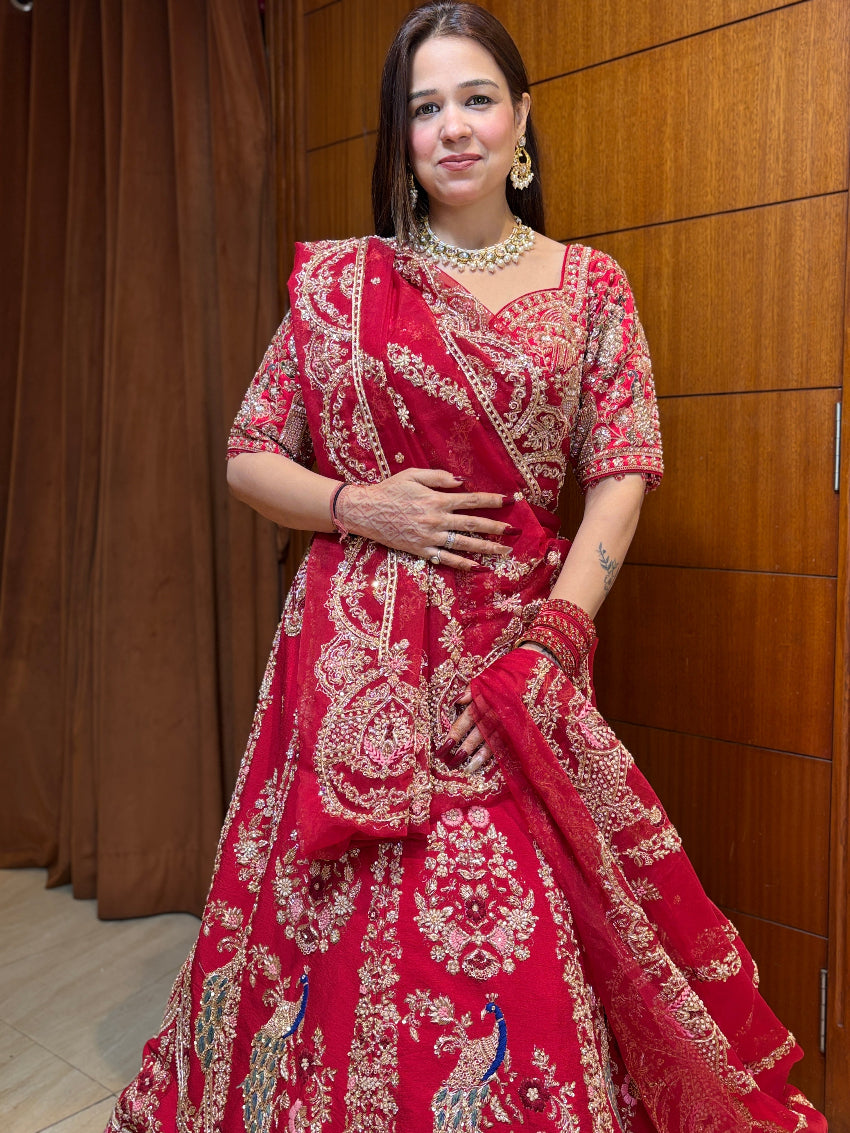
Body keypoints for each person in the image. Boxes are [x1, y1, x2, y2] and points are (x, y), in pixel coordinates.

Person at [108, 4, 827, 1131]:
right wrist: (360, 504)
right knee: (329, 928)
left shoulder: (590, 289)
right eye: (422, 107)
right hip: (352, 662)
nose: (451, 127)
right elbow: (251, 455)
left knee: (510, 925)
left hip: (511, 652)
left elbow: (623, 473)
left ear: (521, 118)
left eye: (475, 98)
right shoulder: (343, 288)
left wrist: (555, 640)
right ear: (397, 137)